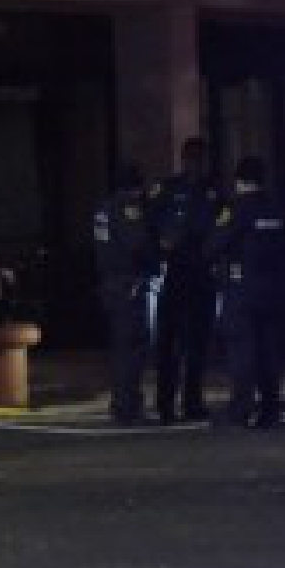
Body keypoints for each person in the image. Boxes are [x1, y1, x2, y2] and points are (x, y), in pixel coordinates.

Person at [207, 155, 285, 429]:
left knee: (241, 350)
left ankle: (240, 410)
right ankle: (270, 410)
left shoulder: (237, 208)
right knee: (268, 351)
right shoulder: (275, 209)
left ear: (239, 181)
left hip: (241, 289)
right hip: (272, 289)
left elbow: (213, 245)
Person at [147, 137, 223, 424]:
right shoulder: (166, 190)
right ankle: (167, 404)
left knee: (197, 343)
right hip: (175, 271)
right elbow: (151, 226)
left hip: (200, 273)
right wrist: (160, 254)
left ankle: (191, 401)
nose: (196, 165)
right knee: (170, 342)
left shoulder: (213, 191)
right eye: (193, 159)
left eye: (199, 159)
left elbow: (219, 229)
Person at [92, 162, 157, 425]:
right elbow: (137, 244)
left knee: (121, 348)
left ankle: (121, 404)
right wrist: (154, 260)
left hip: (110, 283)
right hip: (129, 284)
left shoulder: (102, 210)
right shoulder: (127, 210)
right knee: (133, 349)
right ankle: (129, 407)